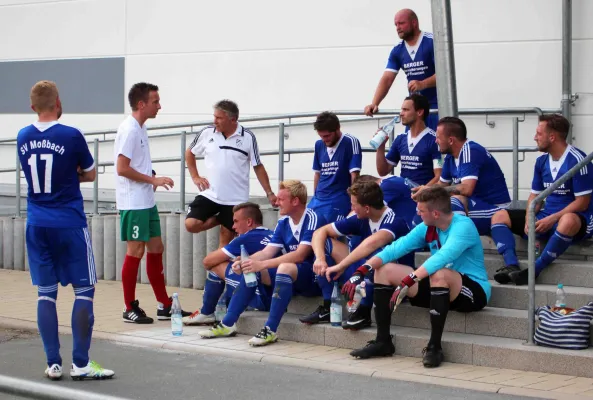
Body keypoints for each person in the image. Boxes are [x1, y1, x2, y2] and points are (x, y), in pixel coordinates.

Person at [18, 80, 114, 380]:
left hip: (36, 222)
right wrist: (73, 176)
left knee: (45, 294)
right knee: (84, 291)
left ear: (32, 107)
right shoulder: (71, 135)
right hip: (69, 222)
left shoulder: (22, 136)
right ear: (58, 102)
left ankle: (53, 363)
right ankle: (81, 363)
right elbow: (90, 172)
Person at [349, 186, 490, 368]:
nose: (417, 213)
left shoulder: (463, 226)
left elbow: (442, 257)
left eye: (421, 210)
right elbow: (396, 247)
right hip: (439, 286)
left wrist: (410, 279)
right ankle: (382, 341)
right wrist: (362, 269)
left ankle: (434, 347)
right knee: (383, 270)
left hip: (472, 292)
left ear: (436, 213)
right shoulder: (428, 226)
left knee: (439, 273)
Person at [114, 82, 190, 324]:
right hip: (133, 203)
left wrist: (151, 177)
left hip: (146, 200)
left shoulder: (140, 128)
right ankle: (129, 307)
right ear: (141, 104)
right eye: (155, 101)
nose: (160, 106)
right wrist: (152, 178)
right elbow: (122, 168)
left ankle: (164, 304)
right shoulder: (129, 130)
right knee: (135, 251)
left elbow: (136, 164)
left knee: (156, 248)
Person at [491, 114, 593, 285]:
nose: (534, 137)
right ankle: (511, 266)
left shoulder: (578, 160)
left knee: (567, 220)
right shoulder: (541, 161)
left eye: (539, 133)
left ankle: (534, 270)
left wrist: (552, 218)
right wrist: (528, 217)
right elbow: (534, 196)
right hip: (547, 216)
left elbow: (582, 203)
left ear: (552, 137)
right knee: (499, 216)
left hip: (576, 220)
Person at [309, 180, 413, 330]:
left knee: (377, 255)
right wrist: (320, 259)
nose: (351, 208)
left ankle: (363, 312)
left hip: (395, 282)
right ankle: (328, 306)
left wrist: (342, 265)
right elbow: (320, 232)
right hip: (365, 274)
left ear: (366, 208)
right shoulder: (362, 217)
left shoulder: (396, 221)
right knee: (323, 244)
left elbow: (372, 243)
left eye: (353, 205)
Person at [233, 180, 324, 346]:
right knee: (252, 269)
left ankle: (270, 329)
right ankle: (228, 322)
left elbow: (300, 255)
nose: (276, 202)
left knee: (284, 266)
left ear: (295, 201)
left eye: (281, 199)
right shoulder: (283, 222)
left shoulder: (313, 217)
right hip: (293, 277)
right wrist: (246, 261)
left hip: (315, 277)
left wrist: (264, 264)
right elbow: (267, 252)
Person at [185, 100, 277, 247]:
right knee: (191, 224)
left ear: (233, 119)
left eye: (219, 118)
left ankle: (215, 270)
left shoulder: (248, 137)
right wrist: (195, 177)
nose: (214, 121)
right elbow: (189, 152)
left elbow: (258, 166)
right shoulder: (207, 132)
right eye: (214, 117)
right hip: (211, 194)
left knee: (225, 243)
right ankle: (220, 219)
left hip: (236, 199)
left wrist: (269, 193)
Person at [179, 203, 273, 337]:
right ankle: (221, 308)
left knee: (217, 266)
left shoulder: (247, 237)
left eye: (235, 221)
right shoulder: (271, 234)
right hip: (274, 292)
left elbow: (207, 261)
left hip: (261, 297)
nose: (233, 227)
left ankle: (207, 312)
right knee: (236, 266)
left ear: (249, 222)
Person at [415, 117, 511, 236]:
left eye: (438, 137)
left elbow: (467, 189)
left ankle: (451, 247)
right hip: (472, 206)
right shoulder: (450, 156)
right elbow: (441, 184)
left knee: (453, 204)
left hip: (496, 209)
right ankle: (426, 246)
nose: (436, 141)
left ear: (450, 140)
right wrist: (424, 192)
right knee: (424, 206)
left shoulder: (470, 151)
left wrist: (431, 190)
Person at [364, 9, 439, 131]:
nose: (398, 27)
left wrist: (423, 84)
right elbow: (387, 79)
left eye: (401, 23)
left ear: (414, 23)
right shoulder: (397, 50)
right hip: (414, 111)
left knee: (438, 147)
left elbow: (445, 75)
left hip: (436, 108)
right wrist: (375, 103)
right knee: (410, 148)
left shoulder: (432, 42)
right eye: (396, 24)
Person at [375, 94, 442, 186]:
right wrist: (381, 147)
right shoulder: (400, 139)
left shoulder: (434, 140)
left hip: (425, 196)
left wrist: (422, 192)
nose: (401, 113)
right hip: (403, 193)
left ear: (419, 112)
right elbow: (383, 171)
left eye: (405, 110)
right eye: (402, 109)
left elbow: (439, 177)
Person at [308, 111, 362, 223]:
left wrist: (355, 201)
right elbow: (317, 173)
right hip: (318, 199)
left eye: (327, 136)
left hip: (338, 198)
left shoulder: (350, 142)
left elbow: (355, 174)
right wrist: (315, 196)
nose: (324, 140)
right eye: (321, 136)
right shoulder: (319, 144)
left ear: (337, 128)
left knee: (326, 232)